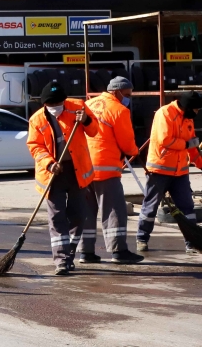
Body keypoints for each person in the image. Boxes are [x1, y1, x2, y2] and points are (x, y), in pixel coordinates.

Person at [27, 82, 97, 275]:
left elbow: (94, 131)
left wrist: (86, 121)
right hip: (52, 174)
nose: (56, 107)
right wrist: (49, 163)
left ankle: (70, 252)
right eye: (51, 104)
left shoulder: (78, 108)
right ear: (44, 104)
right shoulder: (37, 120)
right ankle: (61, 260)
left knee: (77, 215)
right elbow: (35, 146)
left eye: (59, 103)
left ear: (64, 101)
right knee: (57, 217)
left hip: (76, 171)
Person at [77, 76, 144, 264]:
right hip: (106, 169)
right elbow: (126, 141)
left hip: (84, 168)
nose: (129, 98)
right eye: (128, 94)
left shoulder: (89, 104)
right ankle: (118, 251)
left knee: (87, 212)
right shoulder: (119, 110)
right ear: (116, 92)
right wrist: (133, 151)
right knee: (114, 210)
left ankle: (86, 253)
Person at [136, 91, 202, 254]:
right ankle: (142, 238)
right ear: (187, 107)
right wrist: (187, 144)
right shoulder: (164, 113)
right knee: (150, 206)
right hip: (159, 170)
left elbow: (193, 146)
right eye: (196, 109)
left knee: (187, 207)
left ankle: (192, 242)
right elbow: (165, 140)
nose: (197, 112)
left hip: (180, 173)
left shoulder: (188, 119)